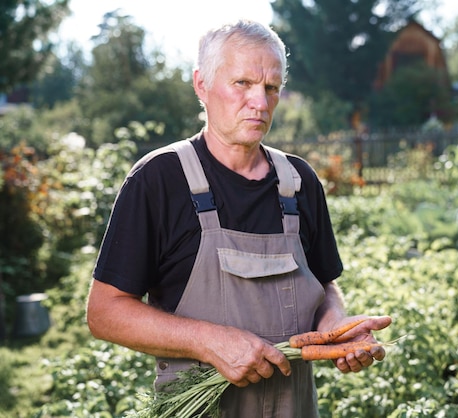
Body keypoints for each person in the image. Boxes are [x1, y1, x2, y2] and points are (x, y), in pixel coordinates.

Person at [86, 19, 391, 417]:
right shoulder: (160, 179)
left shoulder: (299, 182)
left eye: (271, 88)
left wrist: (334, 324)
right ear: (201, 85)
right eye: (242, 84)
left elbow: (325, 283)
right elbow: (104, 313)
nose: (261, 103)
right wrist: (209, 341)